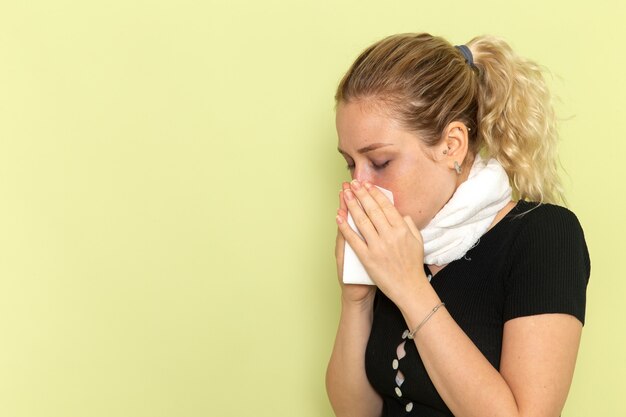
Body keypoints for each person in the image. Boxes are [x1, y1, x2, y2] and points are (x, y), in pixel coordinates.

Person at [325, 33, 590, 417]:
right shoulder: (400, 240)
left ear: (452, 145)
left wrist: (410, 289)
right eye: (350, 163)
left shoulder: (543, 236)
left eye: (379, 162)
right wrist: (357, 299)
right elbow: (356, 411)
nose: (357, 185)